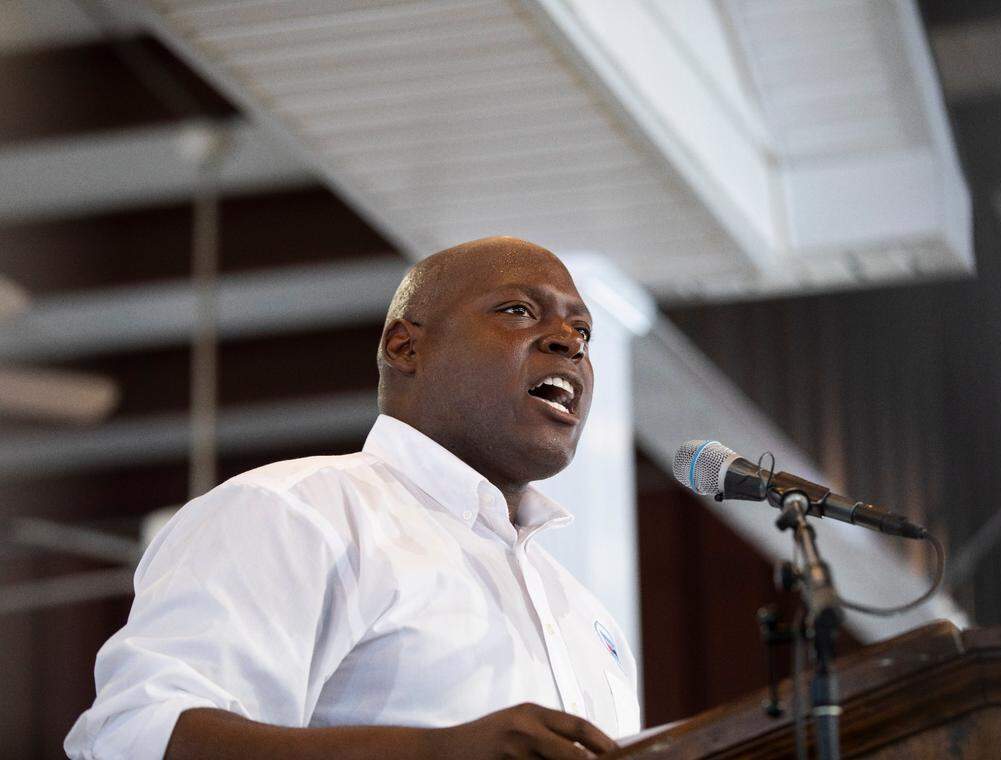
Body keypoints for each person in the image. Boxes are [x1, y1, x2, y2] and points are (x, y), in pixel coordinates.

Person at [65, 237, 640, 759]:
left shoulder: (586, 617)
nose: (569, 342)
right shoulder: (293, 512)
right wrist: (431, 754)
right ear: (405, 348)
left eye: (583, 332)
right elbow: (137, 738)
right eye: (517, 310)